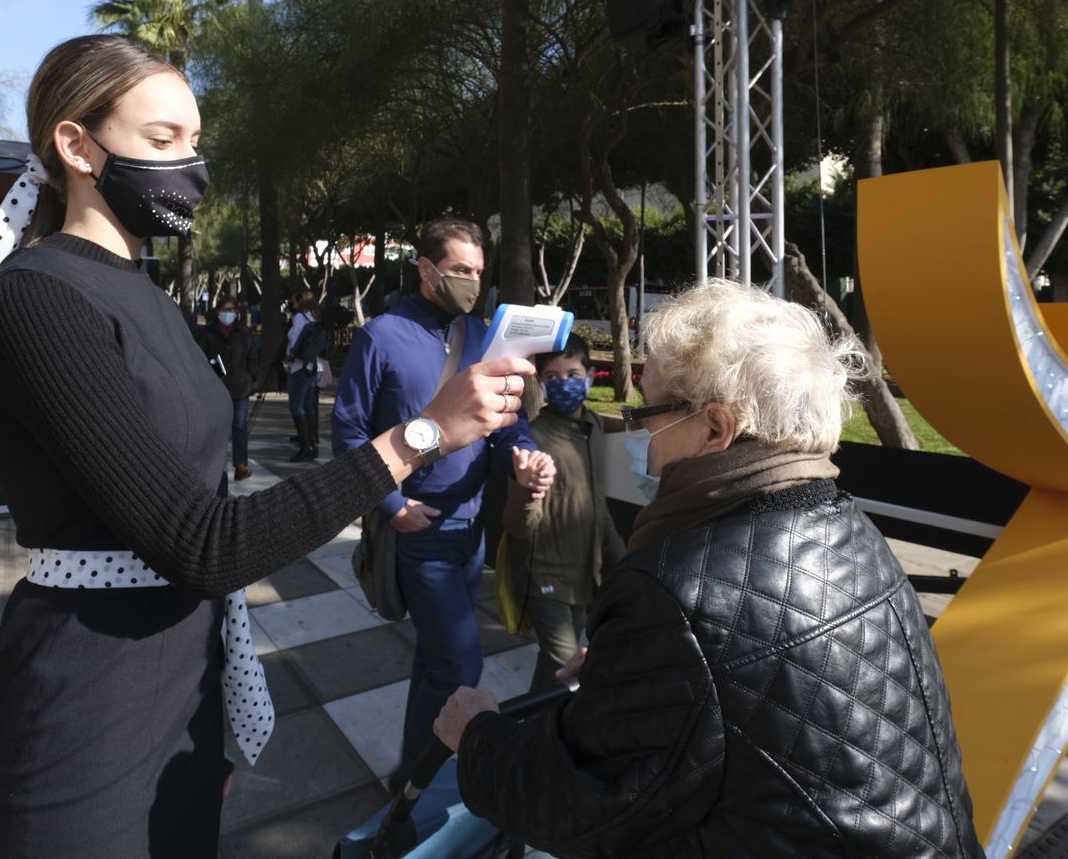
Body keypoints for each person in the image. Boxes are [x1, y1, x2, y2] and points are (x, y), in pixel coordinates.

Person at [0, 34, 540, 859]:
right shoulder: (36, 302)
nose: (190, 166)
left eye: (194, 142)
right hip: (79, 723)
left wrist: (214, 707)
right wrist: (421, 436)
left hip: (179, 703)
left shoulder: (142, 294)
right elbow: (204, 542)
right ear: (76, 146)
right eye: (162, 142)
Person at [436, 280, 984, 859]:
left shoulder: (678, 594)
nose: (641, 438)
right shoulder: (853, 531)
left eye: (645, 412)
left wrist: (477, 738)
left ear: (717, 428)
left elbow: (576, 806)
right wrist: (649, 670)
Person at [333, 217, 556, 782]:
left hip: (472, 529)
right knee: (461, 663)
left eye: (479, 272)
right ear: (426, 269)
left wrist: (523, 456)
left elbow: (504, 423)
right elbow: (349, 432)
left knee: (435, 660)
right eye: (459, 270)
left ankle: (411, 778)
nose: (472, 283)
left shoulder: (482, 336)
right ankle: (431, 784)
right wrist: (392, 508)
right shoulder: (381, 335)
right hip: (419, 531)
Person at [503, 332, 625, 692]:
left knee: (556, 668)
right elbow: (516, 525)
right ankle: (540, 739)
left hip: (587, 575)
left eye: (572, 374)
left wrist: (621, 560)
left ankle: (529, 723)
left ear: (589, 376)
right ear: (540, 383)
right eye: (552, 377)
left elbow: (597, 503)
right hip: (545, 577)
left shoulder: (594, 425)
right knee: (568, 668)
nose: (563, 384)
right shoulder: (533, 438)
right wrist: (527, 487)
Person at [195, 295, 259, 481]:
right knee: (217, 427)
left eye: (231, 310)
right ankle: (216, 466)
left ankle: (241, 464)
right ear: (218, 311)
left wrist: (252, 377)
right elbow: (200, 356)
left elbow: (252, 356)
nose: (227, 313)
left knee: (239, 427)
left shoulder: (243, 332)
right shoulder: (208, 332)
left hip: (240, 386)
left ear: (236, 312)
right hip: (216, 388)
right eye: (224, 309)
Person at [284, 290, 326, 461]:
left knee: (296, 406)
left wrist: (289, 357)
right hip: (316, 367)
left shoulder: (299, 318)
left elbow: (294, 340)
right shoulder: (314, 317)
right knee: (309, 406)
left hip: (299, 367)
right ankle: (312, 445)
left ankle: (305, 447)